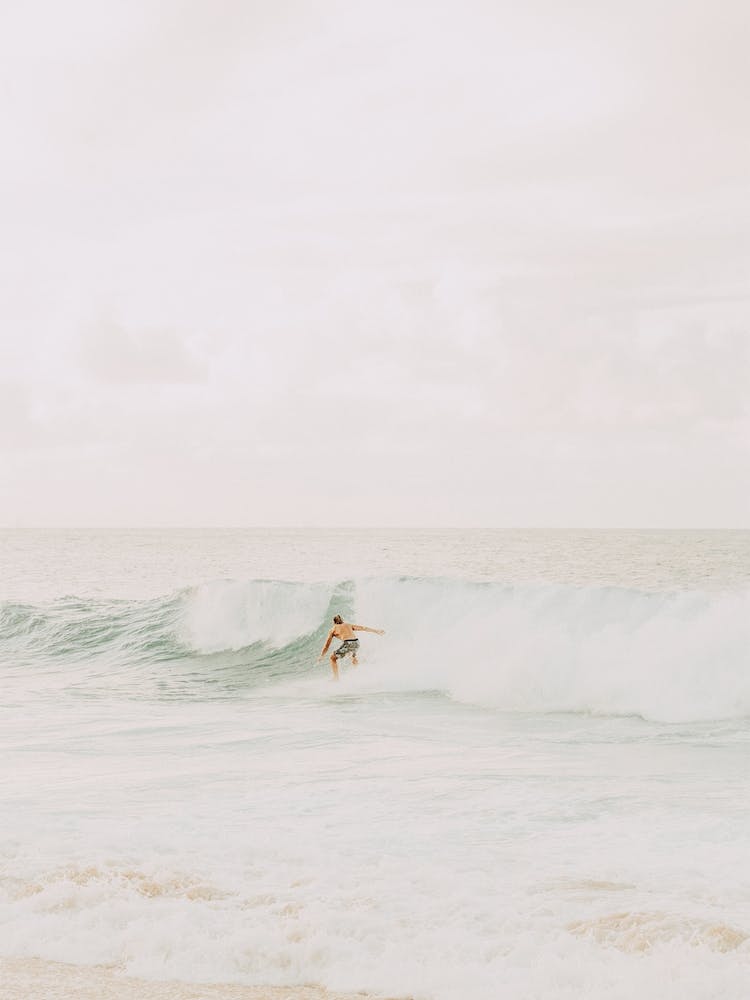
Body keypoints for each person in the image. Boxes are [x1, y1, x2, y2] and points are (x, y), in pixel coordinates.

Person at [319, 614, 385, 680]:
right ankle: (359, 673)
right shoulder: (348, 625)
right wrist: (377, 631)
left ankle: (336, 678)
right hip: (356, 642)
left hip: (348, 643)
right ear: (342, 620)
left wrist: (321, 656)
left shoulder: (333, 629)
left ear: (333, 622)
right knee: (351, 656)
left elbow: (326, 645)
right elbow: (363, 628)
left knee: (332, 658)